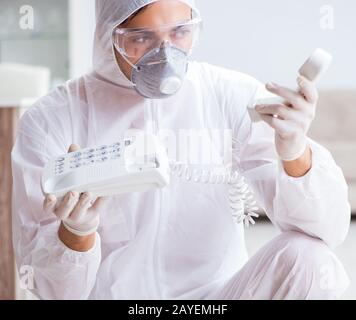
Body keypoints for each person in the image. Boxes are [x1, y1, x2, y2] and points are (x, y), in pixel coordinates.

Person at [12, 0, 350, 300]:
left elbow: (330, 231)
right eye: (141, 38)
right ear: (107, 37)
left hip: (217, 299)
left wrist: (295, 154)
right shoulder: (51, 119)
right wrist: (77, 234)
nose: (166, 54)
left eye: (180, 32)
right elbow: (50, 290)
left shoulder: (229, 94)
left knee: (309, 259)